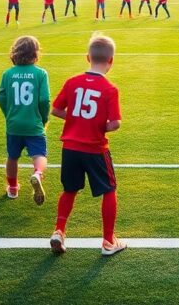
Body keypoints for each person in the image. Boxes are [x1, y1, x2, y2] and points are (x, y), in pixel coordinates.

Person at [49, 34, 125, 256]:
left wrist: (76, 119)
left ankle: (59, 230)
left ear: (88, 57)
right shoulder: (110, 88)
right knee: (109, 190)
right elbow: (115, 124)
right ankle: (108, 241)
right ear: (111, 61)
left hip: (70, 148)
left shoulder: (72, 82)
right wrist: (97, 125)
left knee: (69, 190)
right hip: (95, 148)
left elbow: (56, 110)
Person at [0, 35, 51, 204]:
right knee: (39, 154)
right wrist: (44, 119)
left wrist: (8, 114)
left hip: (13, 124)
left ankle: (13, 188)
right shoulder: (40, 73)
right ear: (35, 53)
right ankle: (37, 174)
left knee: (12, 157)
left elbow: (1, 97)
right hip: (34, 124)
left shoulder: (8, 74)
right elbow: (44, 100)